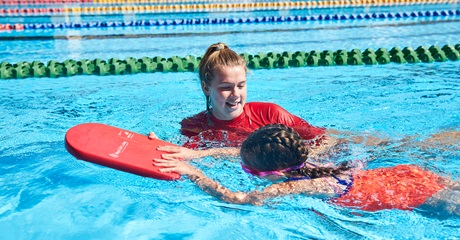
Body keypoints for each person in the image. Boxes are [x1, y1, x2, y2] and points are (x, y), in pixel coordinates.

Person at [153, 124, 460, 215]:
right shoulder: (302, 158)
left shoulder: (298, 185)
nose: (244, 170)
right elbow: (239, 151)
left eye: (250, 172)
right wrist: (197, 153)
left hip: (417, 195)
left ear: (274, 172)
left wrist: (195, 173)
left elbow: (239, 199)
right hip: (405, 175)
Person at [149, 42, 330, 156]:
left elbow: (323, 141)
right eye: (226, 88)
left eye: (241, 86)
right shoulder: (193, 126)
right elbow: (185, 155)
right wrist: (158, 147)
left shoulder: (270, 114)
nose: (236, 94)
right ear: (206, 87)